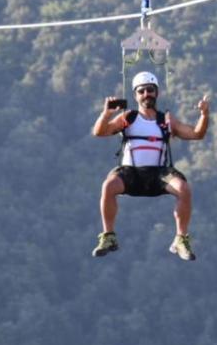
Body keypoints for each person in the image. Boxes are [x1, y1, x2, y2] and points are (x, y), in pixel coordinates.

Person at [90, 70, 210, 260]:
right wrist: (106, 114)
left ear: (157, 93)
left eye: (150, 90)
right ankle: (108, 236)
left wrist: (204, 114)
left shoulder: (166, 120)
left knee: (184, 189)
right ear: (136, 95)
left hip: (158, 174)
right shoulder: (128, 118)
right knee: (108, 186)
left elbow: (196, 134)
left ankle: (181, 239)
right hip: (131, 172)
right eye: (142, 91)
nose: (146, 94)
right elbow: (100, 132)